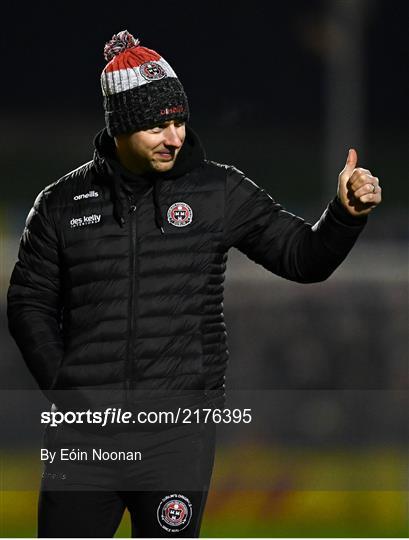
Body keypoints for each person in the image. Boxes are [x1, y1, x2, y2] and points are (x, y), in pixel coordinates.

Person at [7, 29, 382, 538]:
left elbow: (304, 258)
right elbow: (28, 303)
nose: (175, 137)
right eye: (158, 125)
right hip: (85, 439)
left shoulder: (219, 191)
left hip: (177, 439)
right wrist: (67, 391)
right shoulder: (60, 204)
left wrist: (344, 215)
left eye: (180, 120)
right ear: (120, 125)